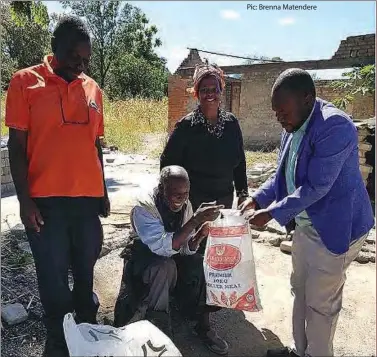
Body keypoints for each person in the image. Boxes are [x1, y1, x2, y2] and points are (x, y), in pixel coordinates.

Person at [239, 68, 374, 357]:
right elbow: (282, 175)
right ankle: (299, 351)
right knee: (300, 291)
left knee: (320, 305)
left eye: (283, 112)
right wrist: (258, 200)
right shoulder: (292, 123)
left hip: (335, 227)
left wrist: (272, 214)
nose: (279, 118)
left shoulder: (335, 127)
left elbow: (316, 187)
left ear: (307, 99)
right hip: (305, 225)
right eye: (276, 112)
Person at [5, 15, 110, 357]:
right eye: (73, 58)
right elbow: (17, 147)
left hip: (86, 204)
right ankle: (58, 342)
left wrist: (104, 193)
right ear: (55, 50)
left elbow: (95, 145)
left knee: (84, 274)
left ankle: (86, 336)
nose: (79, 66)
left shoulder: (93, 89)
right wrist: (25, 201)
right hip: (46, 203)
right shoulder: (24, 83)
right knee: (52, 280)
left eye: (84, 60)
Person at [113, 165, 229, 355]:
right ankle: (159, 328)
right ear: (161, 188)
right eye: (175, 193)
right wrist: (195, 220)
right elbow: (162, 247)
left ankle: (203, 325)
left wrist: (200, 234)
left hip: (172, 257)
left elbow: (185, 249)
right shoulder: (144, 208)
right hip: (144, 260)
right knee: (163, 267)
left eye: (185, 193)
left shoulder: (185, 205)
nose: (180, 198)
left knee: (201, 263)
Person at [160, 63, 248, 253]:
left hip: (223, 201)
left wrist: (242, 193)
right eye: (204, 89)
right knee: (194, 252)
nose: (210, 94)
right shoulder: (186, 127)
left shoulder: (232, 124)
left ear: (221, 91)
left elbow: (240, 163)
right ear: (196, 94)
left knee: (219, 251)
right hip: (193, 205)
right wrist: (175, 200)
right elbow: (167, 165)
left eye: (214, 89)